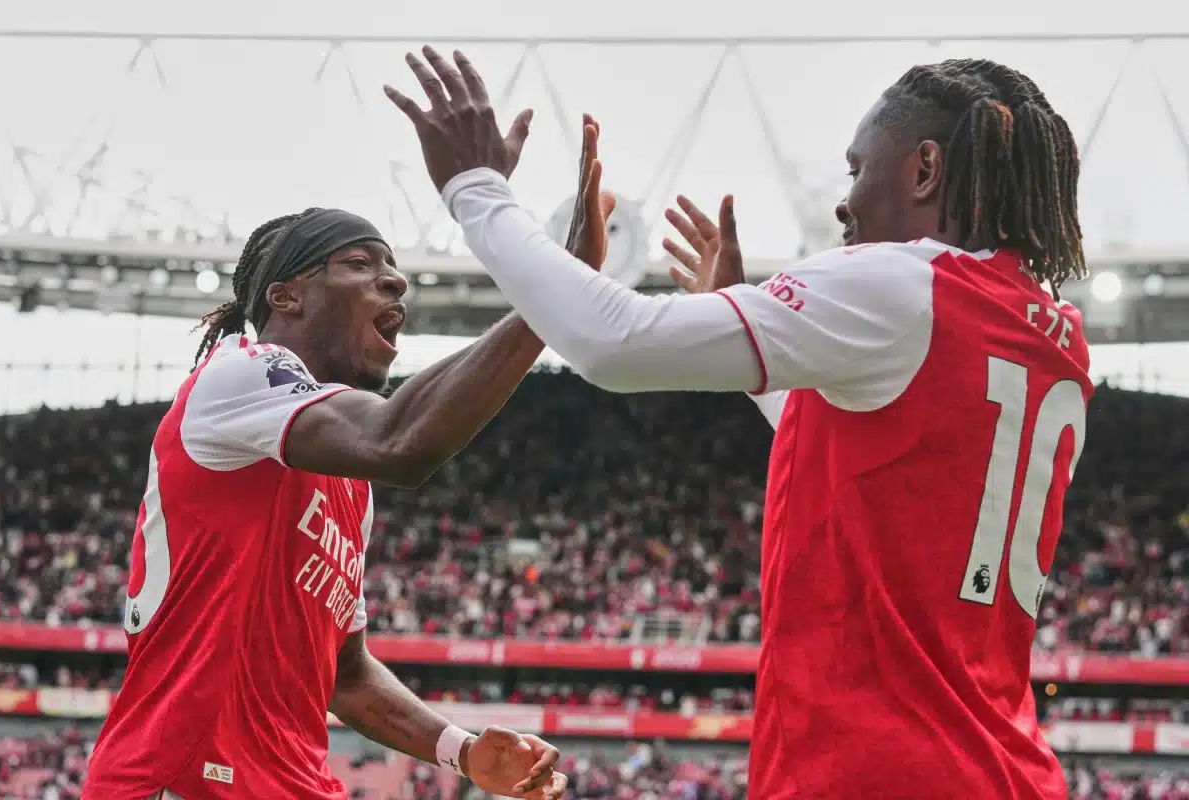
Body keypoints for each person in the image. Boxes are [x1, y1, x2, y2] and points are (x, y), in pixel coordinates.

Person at [385, 49, 1091, 798]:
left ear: (924, 169)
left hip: (878, 770)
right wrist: (763, 337)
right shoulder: (1054, 334)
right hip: (1001, 766)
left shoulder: (903, 282)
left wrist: (477, 190)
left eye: (858, 169)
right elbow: (886, 455)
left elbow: (614, 342)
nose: (844, 202)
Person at [82, 103, 616, 800]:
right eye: (361, 264)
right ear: (288, 297)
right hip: (184, 780)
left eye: (394, 271)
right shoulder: (244, 372)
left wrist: (460, 751)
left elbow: (346, 674)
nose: (395, 283)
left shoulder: (344, 481)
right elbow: (401, 441)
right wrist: (557, 286)